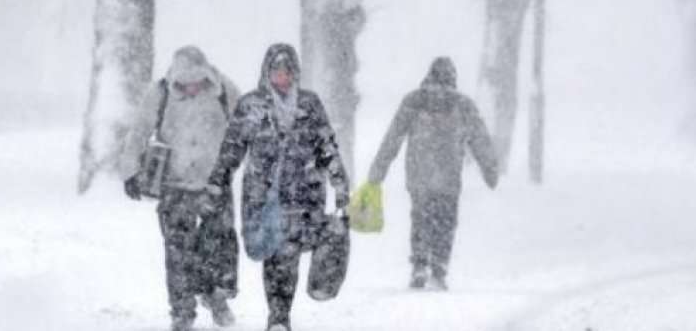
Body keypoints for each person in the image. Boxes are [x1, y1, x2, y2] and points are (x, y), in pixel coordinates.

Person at [204, 43, 350, 331]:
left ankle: (281, 316)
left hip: (304, 194)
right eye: (277, 72)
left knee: (290, 253)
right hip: (264, 196)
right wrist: (217, 181)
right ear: (266, 73)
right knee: (276, 255)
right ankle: (279, 316)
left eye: (288, 72)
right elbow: (232, 148)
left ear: (295, 73)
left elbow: (327, 147)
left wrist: (340, 183)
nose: (283, 78)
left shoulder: (309, 104)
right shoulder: (251, 106)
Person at [120, 46, 240, 331]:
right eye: (185, 83)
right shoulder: (160, 93)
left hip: (215, 184)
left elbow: (247, 127)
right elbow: (139, 131)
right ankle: (182, 313)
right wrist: (131, 172)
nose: (191, 87)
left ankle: (215, 296)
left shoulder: (224, 90)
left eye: (197, 81)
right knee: (178, 253)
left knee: (220, 248)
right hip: (174, 186)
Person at [365, 56, 499, 291]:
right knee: (446, 220)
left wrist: (378, 170)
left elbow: (393, 138)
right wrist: (489, 169)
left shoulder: (415, 101)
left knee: (420, 218)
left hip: (420, 174)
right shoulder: (462, 104)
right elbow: (480, 140)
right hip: (449, 175)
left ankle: (419, 263)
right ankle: (439, 266)